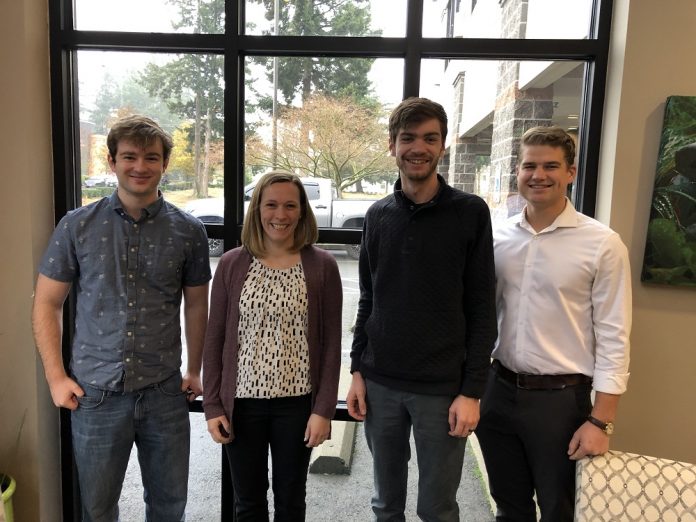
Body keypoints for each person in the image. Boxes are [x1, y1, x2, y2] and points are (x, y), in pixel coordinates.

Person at [32, 115, 211, 521]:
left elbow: (197, 304)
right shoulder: (76, 226)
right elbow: (46, 303)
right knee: (97, 509)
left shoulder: (189, 231)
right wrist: (55, 378)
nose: (140, 166)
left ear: (165, 163)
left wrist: (195, 369)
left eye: (151, 157)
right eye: (129, 156)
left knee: (168, 507)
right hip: (94, 395)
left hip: (164, 393)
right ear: (112, 162)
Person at [346, 97, 498, 521]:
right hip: (380, 384)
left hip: (443, 388)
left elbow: (483, 307)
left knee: (438, 508)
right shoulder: (377, 216)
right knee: (384, 504)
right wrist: (357, 370)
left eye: (430, 138)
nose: (419, 147)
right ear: (392, 145)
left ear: (443, 146)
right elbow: (368, 299)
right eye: (408, 138)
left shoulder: (470, 213)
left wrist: (471, 391)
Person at [476, 126, 632, 521]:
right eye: (529, 165)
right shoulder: (497, 237)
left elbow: (615, 334)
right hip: (498, 391)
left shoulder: (602, 243)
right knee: (509, 506)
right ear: (517, 172)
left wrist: (601, 420)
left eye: (550, 166)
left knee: (559, 509)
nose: (538, 175)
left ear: (571, 173)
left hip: (561, 403)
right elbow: (480, 316)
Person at [202, 170, 343, 521]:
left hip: (296, 407)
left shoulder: (322, 266)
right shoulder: (233, 264)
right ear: (257, 209)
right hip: (242, 405)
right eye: (272, 205)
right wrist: (213, 404)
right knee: (247, 504)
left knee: (291, 502)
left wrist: (323, 409)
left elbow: (330, 346)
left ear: (302, 211)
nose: (280, 215)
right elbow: (215, 337)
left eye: (290, 205)